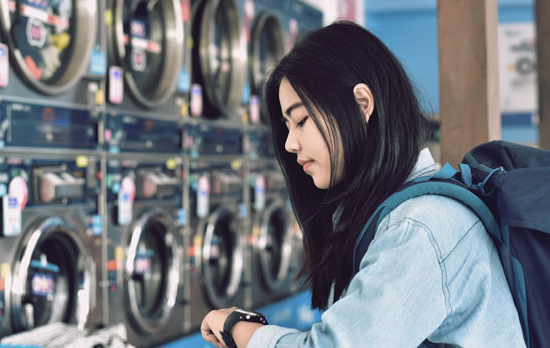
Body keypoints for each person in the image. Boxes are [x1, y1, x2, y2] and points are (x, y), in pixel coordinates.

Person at [201, 21, 525, 348]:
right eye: (286, 126)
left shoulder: (422, 227)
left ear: (361, 103)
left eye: (300, 121)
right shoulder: (388, 217)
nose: (289, 144)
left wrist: (240, 330)